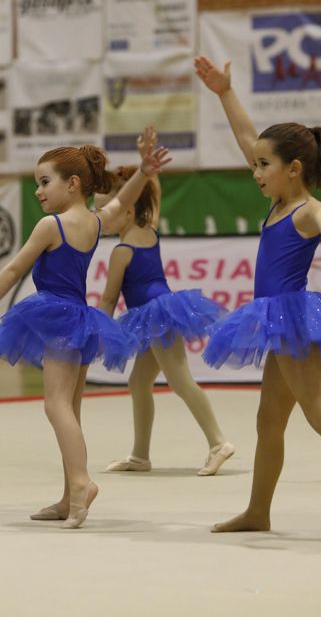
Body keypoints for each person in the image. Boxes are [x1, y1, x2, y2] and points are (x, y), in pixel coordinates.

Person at [195, 56, 321, 542]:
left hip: (291, 319)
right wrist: (224, 93)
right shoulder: (278, 200)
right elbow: (248, 139)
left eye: (264, 166)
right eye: (256, 165)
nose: (255, 171)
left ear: (295, 168)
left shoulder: (307, 209)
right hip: (277, 321)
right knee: (269, 420)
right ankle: (258, 510)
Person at [0, 129, 170, 528]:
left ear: (72, 183)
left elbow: (13, 269)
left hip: (58, 318)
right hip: (80, 318)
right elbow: (123, 202)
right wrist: (144, 171)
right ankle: (66, 496)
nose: (38, 192)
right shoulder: (94, 222)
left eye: (45, 182)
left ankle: (80, 484)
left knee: (55, 405)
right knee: (70, 409)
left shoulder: (51, 226)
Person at [95, 129, 234, 476]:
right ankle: (140, 456)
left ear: (126, 211)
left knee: (179, 379)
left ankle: (219, 442)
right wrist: (148, 164)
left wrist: (95, 330)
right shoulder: (149, 229)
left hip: (157, 315)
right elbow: (151, 193)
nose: (103, 220)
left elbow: (109, 298)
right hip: (156, 315)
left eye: (107, 213)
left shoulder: (122, 251)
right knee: (138, 383)